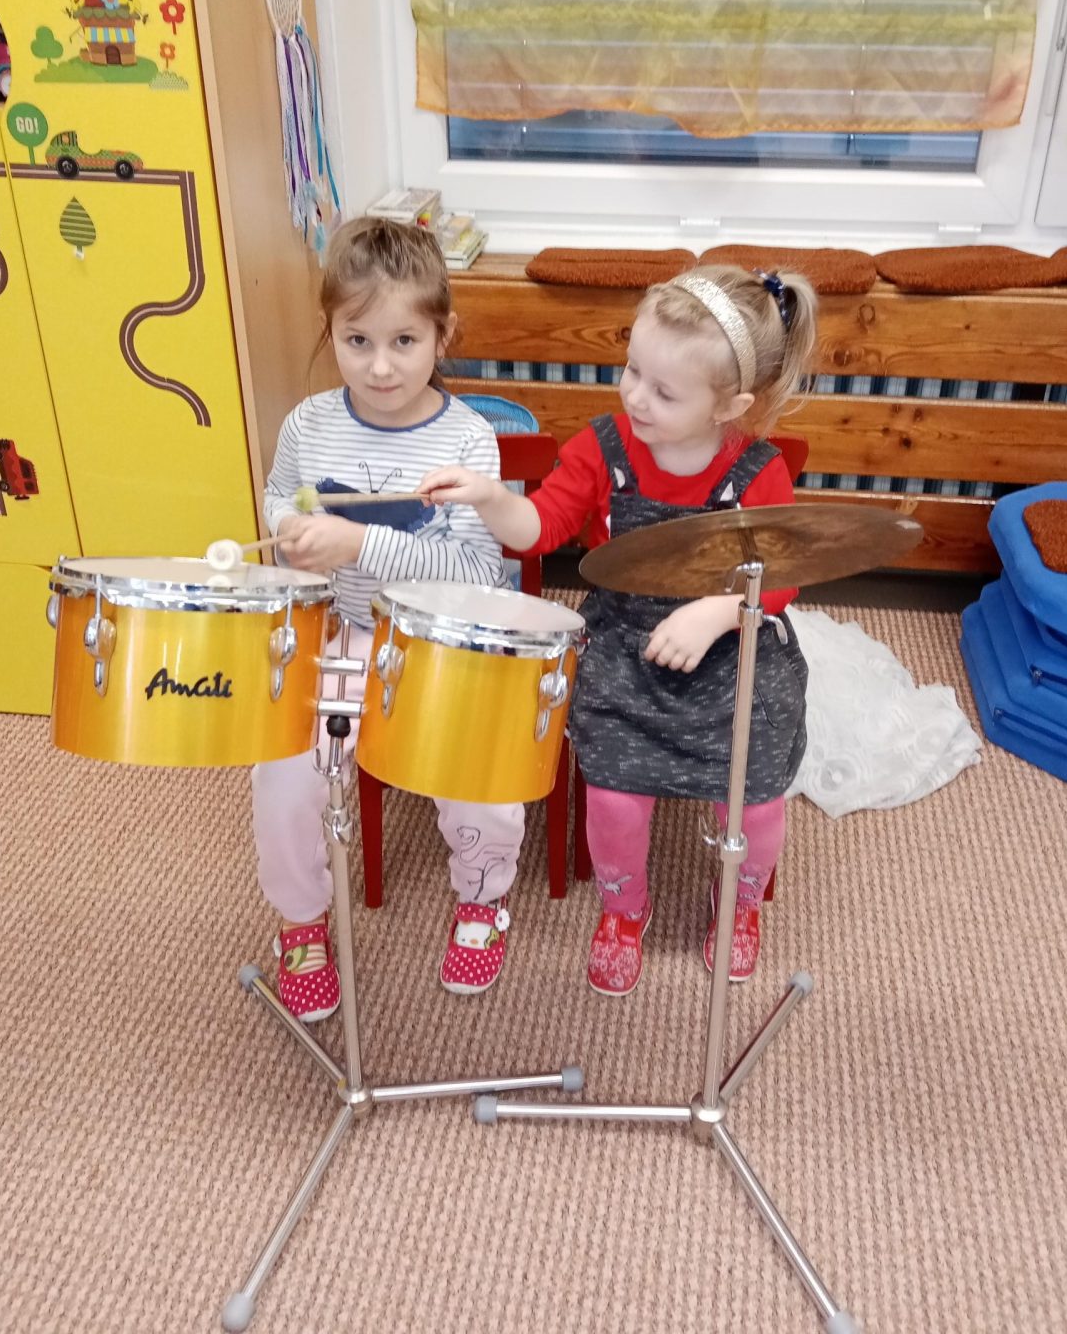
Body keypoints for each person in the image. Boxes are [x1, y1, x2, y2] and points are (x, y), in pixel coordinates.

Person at [420, 263, 817, 994]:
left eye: (664, 391)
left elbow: (782, 576)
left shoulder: (758, 472)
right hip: (629, 645)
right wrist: (489, 497)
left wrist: (716, 611)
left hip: (734, 648)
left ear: (730, 405)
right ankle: (623, 911)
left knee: (758, 798)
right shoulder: (602, 448)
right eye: (632, 370)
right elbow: (539, 528)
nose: (635, 396)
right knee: (612, 798)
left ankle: (740, 903)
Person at [253, 217, 518, 1020]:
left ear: (443, 334)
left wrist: (360, 542)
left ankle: (482, 900)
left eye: (404, 341)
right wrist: (289, 533)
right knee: (283, 770)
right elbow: (280, 497)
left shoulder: (469, 439)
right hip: (341, 635)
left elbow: (477, 573)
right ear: (329, 329)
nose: (380, 365)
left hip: (439, 647)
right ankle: (301, 923)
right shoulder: (308, 425)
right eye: (356, 339)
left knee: (480, 774)